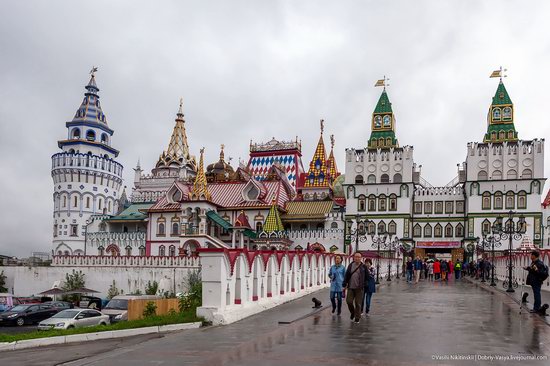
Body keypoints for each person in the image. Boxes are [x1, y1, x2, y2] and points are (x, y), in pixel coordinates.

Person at [343, 252, 367, 323]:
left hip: (359, 288)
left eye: (359, 257)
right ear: (354, 257)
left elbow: (367, 277)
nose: (357, 258)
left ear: (361, 258)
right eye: (356, 257)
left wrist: (365, 284)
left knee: (358, 303)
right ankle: (353, 312)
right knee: (349, 301)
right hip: (350, 287)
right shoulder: (350, 265)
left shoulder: (363, 267)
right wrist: (344, 284)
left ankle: (357, 317)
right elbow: (347, 275)